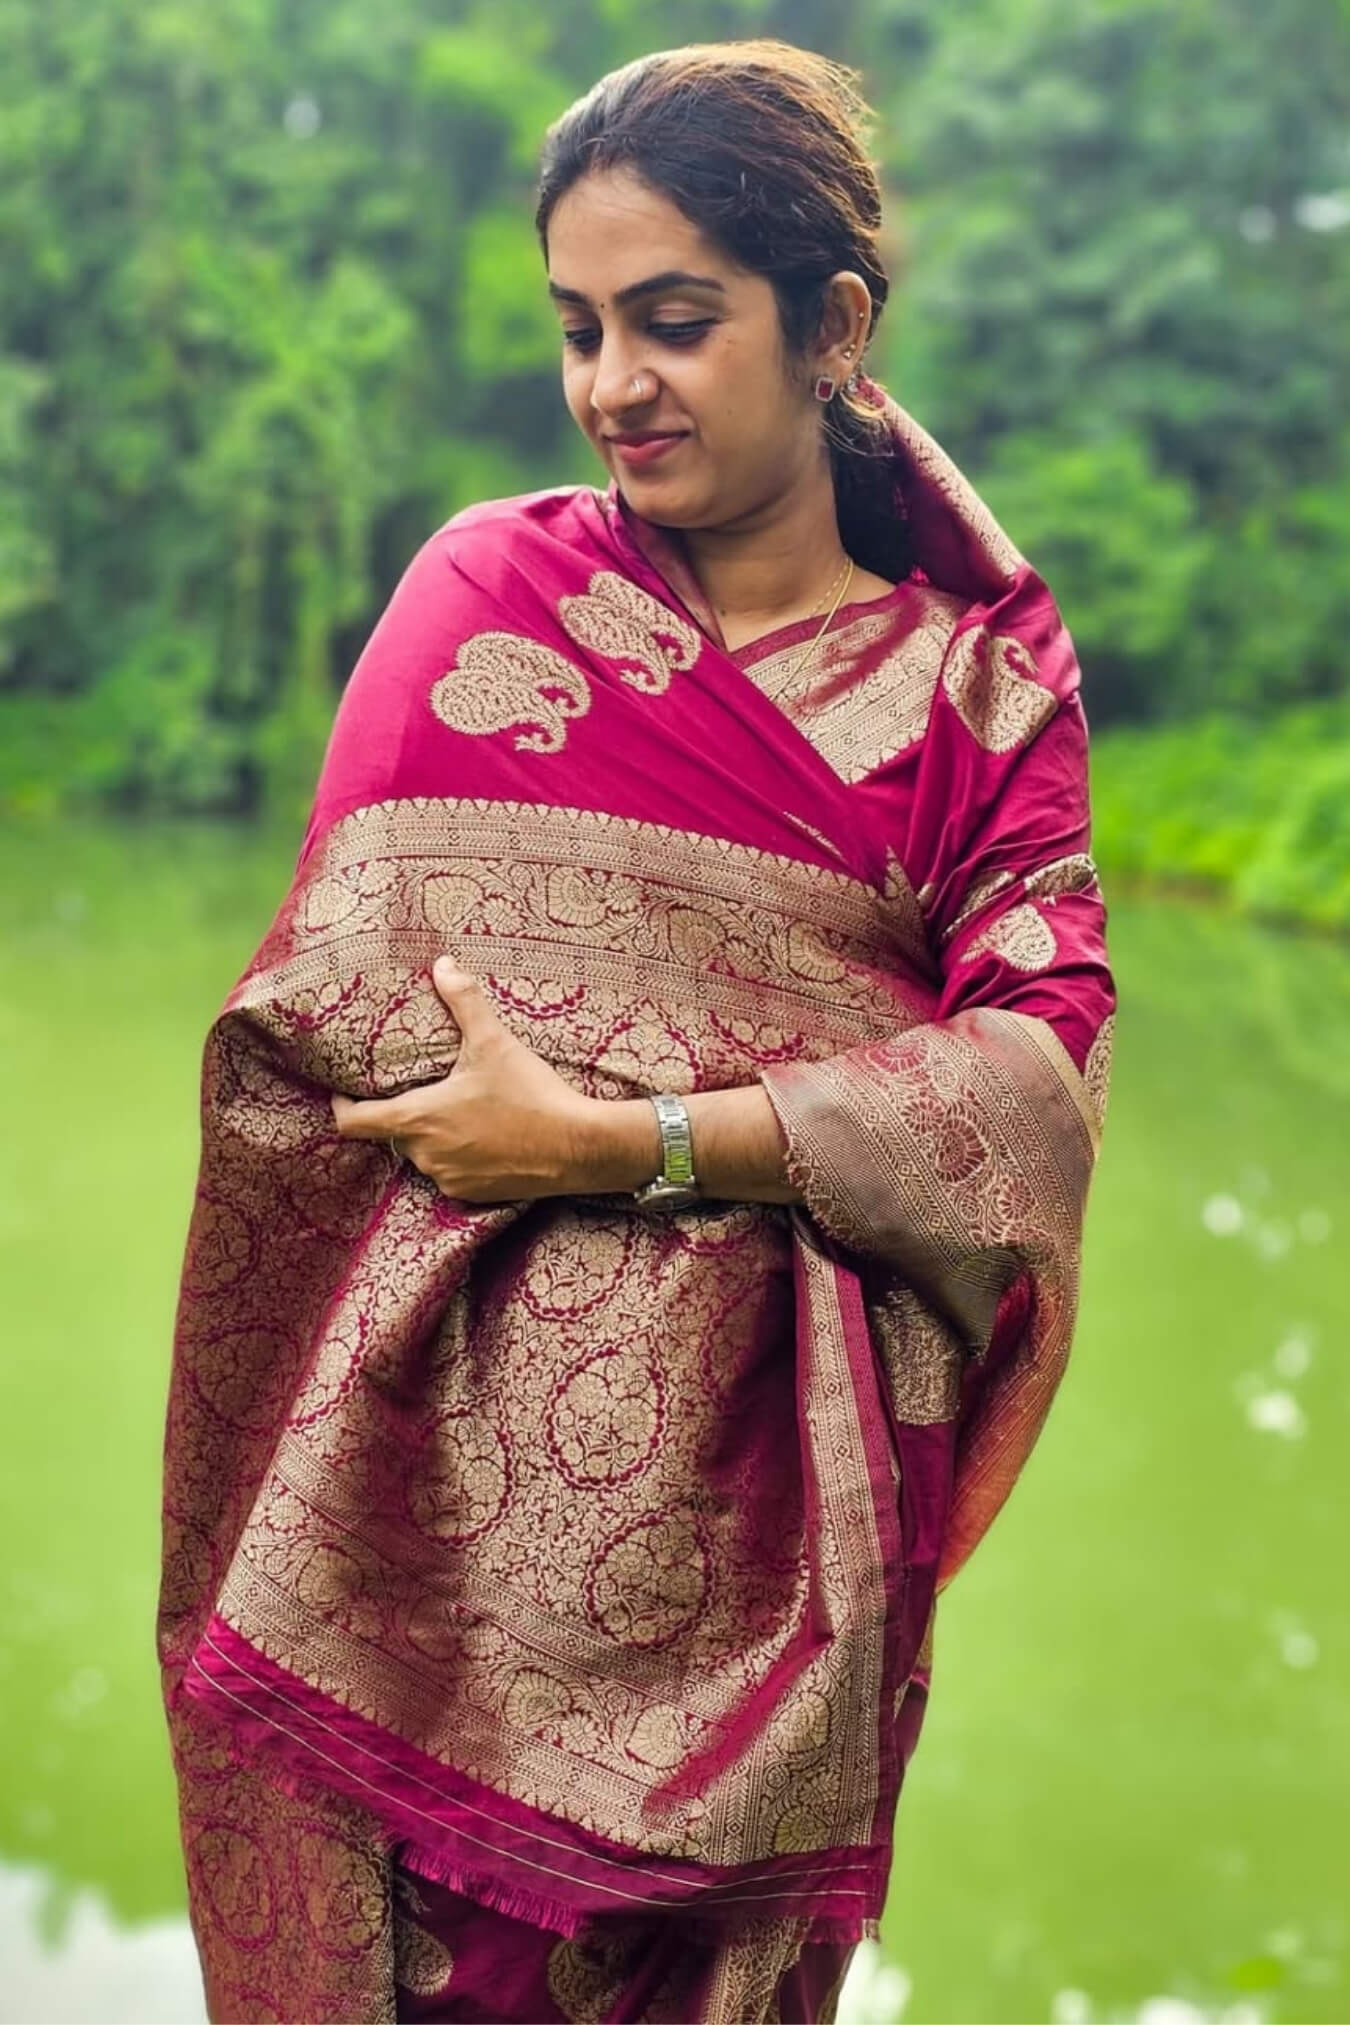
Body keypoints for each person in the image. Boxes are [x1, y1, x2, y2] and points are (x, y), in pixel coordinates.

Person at [158, 38, 1116, 2025]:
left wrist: (628, 1140)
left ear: (834, 322)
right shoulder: (481, 601)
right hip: (411, 1572)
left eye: (674, 322)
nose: (614, 385)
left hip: (763, 1607)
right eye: (579, 328)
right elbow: (306, 1044)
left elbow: (1034, 1088)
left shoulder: (974, 700)